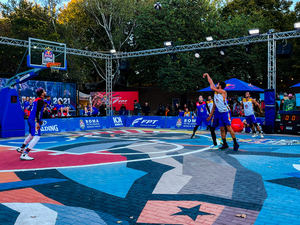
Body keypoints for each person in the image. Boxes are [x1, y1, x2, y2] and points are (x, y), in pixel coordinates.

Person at [203, 73, 239, 151]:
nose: (216, 84)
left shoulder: (223, 92)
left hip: (226, 112)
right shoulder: (215, 94)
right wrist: (207, 75)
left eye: (218, 84)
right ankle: (225, 144)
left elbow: (212, 86)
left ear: (220, 86)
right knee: (222, 129)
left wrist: (209, 80)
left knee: (229, 128)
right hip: (220, 113)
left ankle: (235, 143)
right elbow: (214, 106)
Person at [16, 88, 46, 160]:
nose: (45, 92)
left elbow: (34, 110)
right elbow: (38, 112)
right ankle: (24, 154)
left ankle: (21, 148)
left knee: (31, 135)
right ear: (42, 93)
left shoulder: (36, 100)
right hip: (34, 120)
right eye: (44, 91)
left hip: (31, 119)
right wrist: (38, 121)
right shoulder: (41, 101)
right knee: (37, 136)